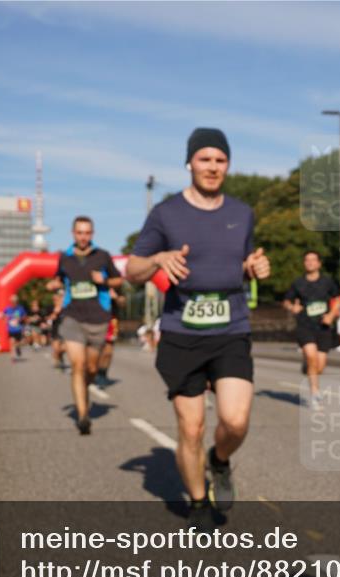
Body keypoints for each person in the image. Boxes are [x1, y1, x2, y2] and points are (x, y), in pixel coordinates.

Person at [126, 127, 271, 530]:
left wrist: (255, 267)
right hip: (181, 332)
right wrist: (158, 258)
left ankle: (220, 461)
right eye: (204, 159)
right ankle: (197, 503)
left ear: (228, 165)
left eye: (220, 160)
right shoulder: (166, 214)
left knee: (236, 420)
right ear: (189, 162)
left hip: (231, 328)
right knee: (191, 427)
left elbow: (245, 260)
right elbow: (131, 270)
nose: (212, 167)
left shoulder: (242, 213)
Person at [45, 216, 123, 434]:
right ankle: (82, 415)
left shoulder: (103, 256)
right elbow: (59, 279)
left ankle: (86, 387)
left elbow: (119, 280)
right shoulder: (65, 257)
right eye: (79, 232)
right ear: (73, 234)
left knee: (90, 368)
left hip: (98, 318)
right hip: (73, 318)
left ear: (92, 234)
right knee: (77, 365)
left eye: (87, 232)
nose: (83, 236)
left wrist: (104, 281)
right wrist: (54, 284)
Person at [283, 250, 340, 409]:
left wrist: (331, 315)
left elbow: (338, 300)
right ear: (304, 263)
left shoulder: (327, 282)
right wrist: (292, 307)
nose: (310, 263)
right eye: (307, 260)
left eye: (313, 260)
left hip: (323, 326)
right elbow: (286, 301)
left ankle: (308, 366)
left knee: (319, 365)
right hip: (305, 325)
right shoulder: (298, 283)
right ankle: (315, 393)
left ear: (319, 263)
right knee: (311, 356)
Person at [96, 288, 126, 388]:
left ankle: (102, 374)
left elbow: (123, 303)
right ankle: (94, 372)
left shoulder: (115, 283)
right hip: (94, 319)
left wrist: (116, 297)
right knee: (96, 349)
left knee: (108, 351)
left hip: (111, 320)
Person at [46, 289, 67, 370]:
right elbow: (48, 319)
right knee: (56, 349)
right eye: (55, 299)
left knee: (65, 348)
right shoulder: (50, 307)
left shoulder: (67, 307)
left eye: (61, 297)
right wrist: (54, 313)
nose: (58, 300)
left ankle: (60, 355)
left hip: (66, 330)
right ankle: (57, 360)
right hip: (55, 330)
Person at [3, 295, 27, 360]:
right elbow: (3, 315)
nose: (14, 303)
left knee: (19, 342)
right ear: (11, 302)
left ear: (17, 302)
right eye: (12, 301)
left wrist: (20, 319)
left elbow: (24, 316)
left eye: (15, 301)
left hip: (18, 329)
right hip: (11, 329)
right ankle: (12, 357)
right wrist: (5, 319)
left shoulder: (20, 309)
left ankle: (18, 347)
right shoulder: (7, 309)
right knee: (11, 342)